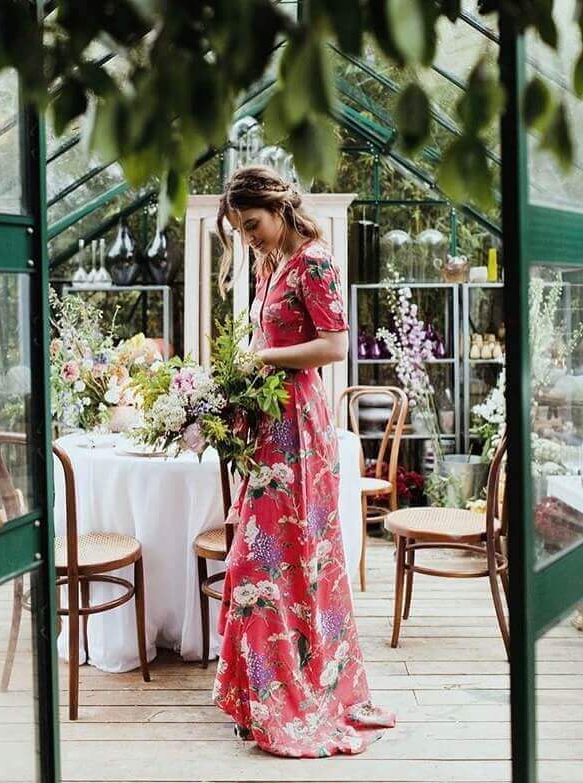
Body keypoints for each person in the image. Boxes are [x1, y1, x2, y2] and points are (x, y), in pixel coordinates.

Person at [211, 165, 396, 758]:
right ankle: (265, 699)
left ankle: (293, 699)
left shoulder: (315, 261)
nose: (248, 238)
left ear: (278, 208)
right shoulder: (271, 266)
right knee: (269, 563)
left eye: (252, 224)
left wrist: (263, 355)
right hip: (273, 426)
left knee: (273, 565)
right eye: (240, 231)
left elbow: (335, 345)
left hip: (299, 429)